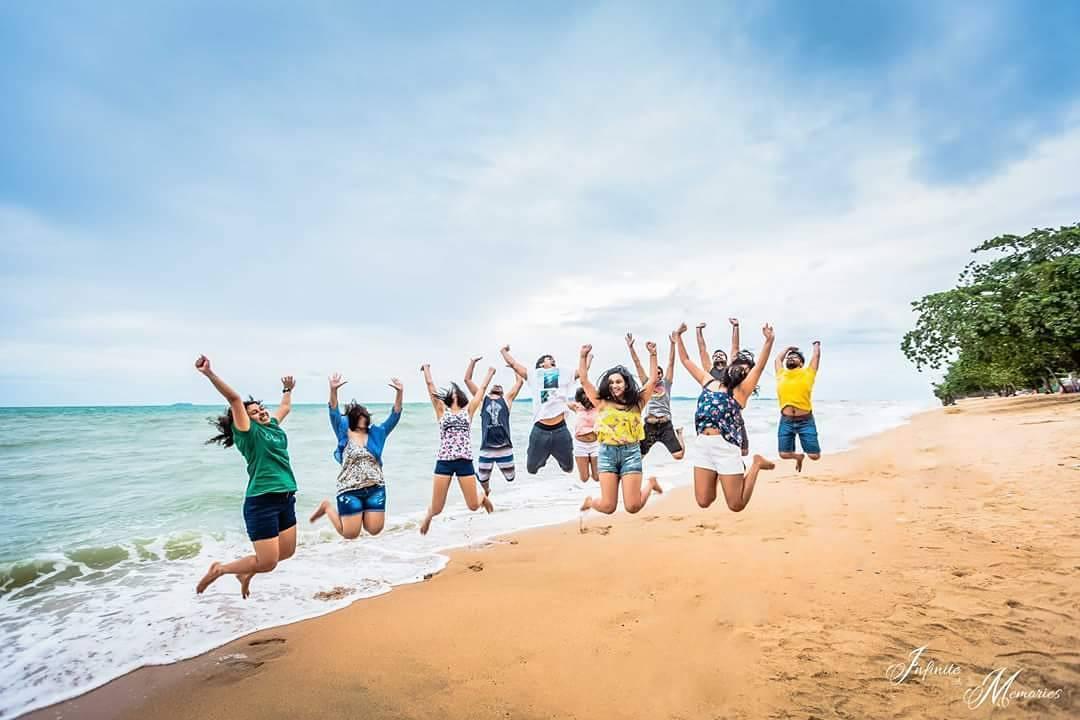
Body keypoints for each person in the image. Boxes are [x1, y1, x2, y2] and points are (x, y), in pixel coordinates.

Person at [194, 355, 297, 599]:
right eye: (253, 412)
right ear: (244, 419)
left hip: (286, 498)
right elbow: (234, 399)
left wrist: (287, 389)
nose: (260, 411)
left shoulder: (272, 426)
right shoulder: (248, 433)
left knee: (287, 553)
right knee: (268, 563)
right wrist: (210, 373)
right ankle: (221, 569)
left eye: (260, 408)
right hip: (261, 502)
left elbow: (285, 408)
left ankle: (247, 572)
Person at [674, 323, 776, 512]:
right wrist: (678, 336)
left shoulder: (741, 392)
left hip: (726, 447)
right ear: (731, 366)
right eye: (740, 367)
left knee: (736, 505)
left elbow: (760, 367)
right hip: (703, 445)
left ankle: (756, 464)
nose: (742, 371)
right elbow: (686, 360)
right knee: (704, 501)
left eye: (746, 372)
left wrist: (769, 340)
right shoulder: (708, 381)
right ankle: (723, 475)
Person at [309, 373, 403, 539]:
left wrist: (399, 393)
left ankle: (361, 514)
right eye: (360, 417)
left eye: (365, 416)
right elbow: (333, 411)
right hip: (349, 489)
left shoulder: (377, 433)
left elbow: (394, 416)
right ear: (352, 419)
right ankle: (327, 507)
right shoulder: (343, 432)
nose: (364, 419)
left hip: (375, 487)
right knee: (350, 534)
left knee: (374, 530)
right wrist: (333, 390)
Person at [578, 343, 664, 516]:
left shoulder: (638, 403)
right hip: (607, 454)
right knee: (608, 507)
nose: (614, 385)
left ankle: (651, 484)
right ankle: (590, 501)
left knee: (633, 507)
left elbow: (653, 381)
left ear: (626, 384)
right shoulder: (601, 402)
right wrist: (583, 356)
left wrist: (653, 355)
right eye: (611, 383)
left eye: (618, 381)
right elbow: (584, 380)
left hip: (631, 453)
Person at [419, 364, 494, 534]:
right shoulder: (441, 411)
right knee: (437, 508)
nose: (452, 394)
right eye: (450, 393)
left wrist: (489, 372)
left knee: (473, 506)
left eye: (455, 392)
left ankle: (482, 497)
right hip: (444, 462)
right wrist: (427, 369)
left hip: (464, 462)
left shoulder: (468, 411)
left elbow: (481, 390)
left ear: (459, 396)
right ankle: (428, 517)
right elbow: (431, 387)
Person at [500, 345, 584, 476]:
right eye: (548, 359)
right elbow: (514, 364)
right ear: (540, 364)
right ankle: (544, 456)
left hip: (560, 430)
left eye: (553, 360)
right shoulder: (534, 375)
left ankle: (554, 453)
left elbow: (582, 372)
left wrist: (585, 356)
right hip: (540, 431)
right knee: (531, 469)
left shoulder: (562, 374)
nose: (552, 360)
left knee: (568, 467)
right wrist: (504, 351)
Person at [464, 356, 524, 495]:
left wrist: (514, 366)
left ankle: (492, 476)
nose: (497, 386)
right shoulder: (481, 401)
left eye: (500, 387)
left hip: (505, 447)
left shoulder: (507, 400)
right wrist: (472, 362)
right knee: (483, 479)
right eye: (494, 386)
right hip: (487, 448)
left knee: (511, 478)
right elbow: (467, 380)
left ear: (502, 393)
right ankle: (487, 490)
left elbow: (520, 381)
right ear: (489, 391)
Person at [626, 332, 685, 462]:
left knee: (679, 456)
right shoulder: (647, 383)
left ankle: (680, 434)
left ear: (662, 375)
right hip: (649, 426)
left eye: (659, 373)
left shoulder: (666, 383)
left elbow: (671, 363)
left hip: (665, 425)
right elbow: (637, 364)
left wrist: (672, 344)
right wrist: (631, 348)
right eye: (655, 373)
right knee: (638, 458)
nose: (657, 375)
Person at [775, 342, 822, 471]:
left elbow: (816, 357)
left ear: (801, 363)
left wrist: (816, 346)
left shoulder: (808, 373)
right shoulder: (781, 374)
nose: (790, 358)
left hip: (806, 421)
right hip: (786, 420)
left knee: (814, 456)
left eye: (794, 357)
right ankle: (798, 457)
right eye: (789, 357)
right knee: (783, 454)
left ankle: (806, 454)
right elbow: (778, 359)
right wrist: (787, 348)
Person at [568, 388, 600, 482]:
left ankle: (593, 463)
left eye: (588, 395)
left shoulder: (598, 406)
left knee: (597, 478)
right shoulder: (577, 407)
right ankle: (588, 462)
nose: (586, 397)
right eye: (584, 395)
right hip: (580, 445)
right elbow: (562, 402)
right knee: (584, 479)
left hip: (596, 444)